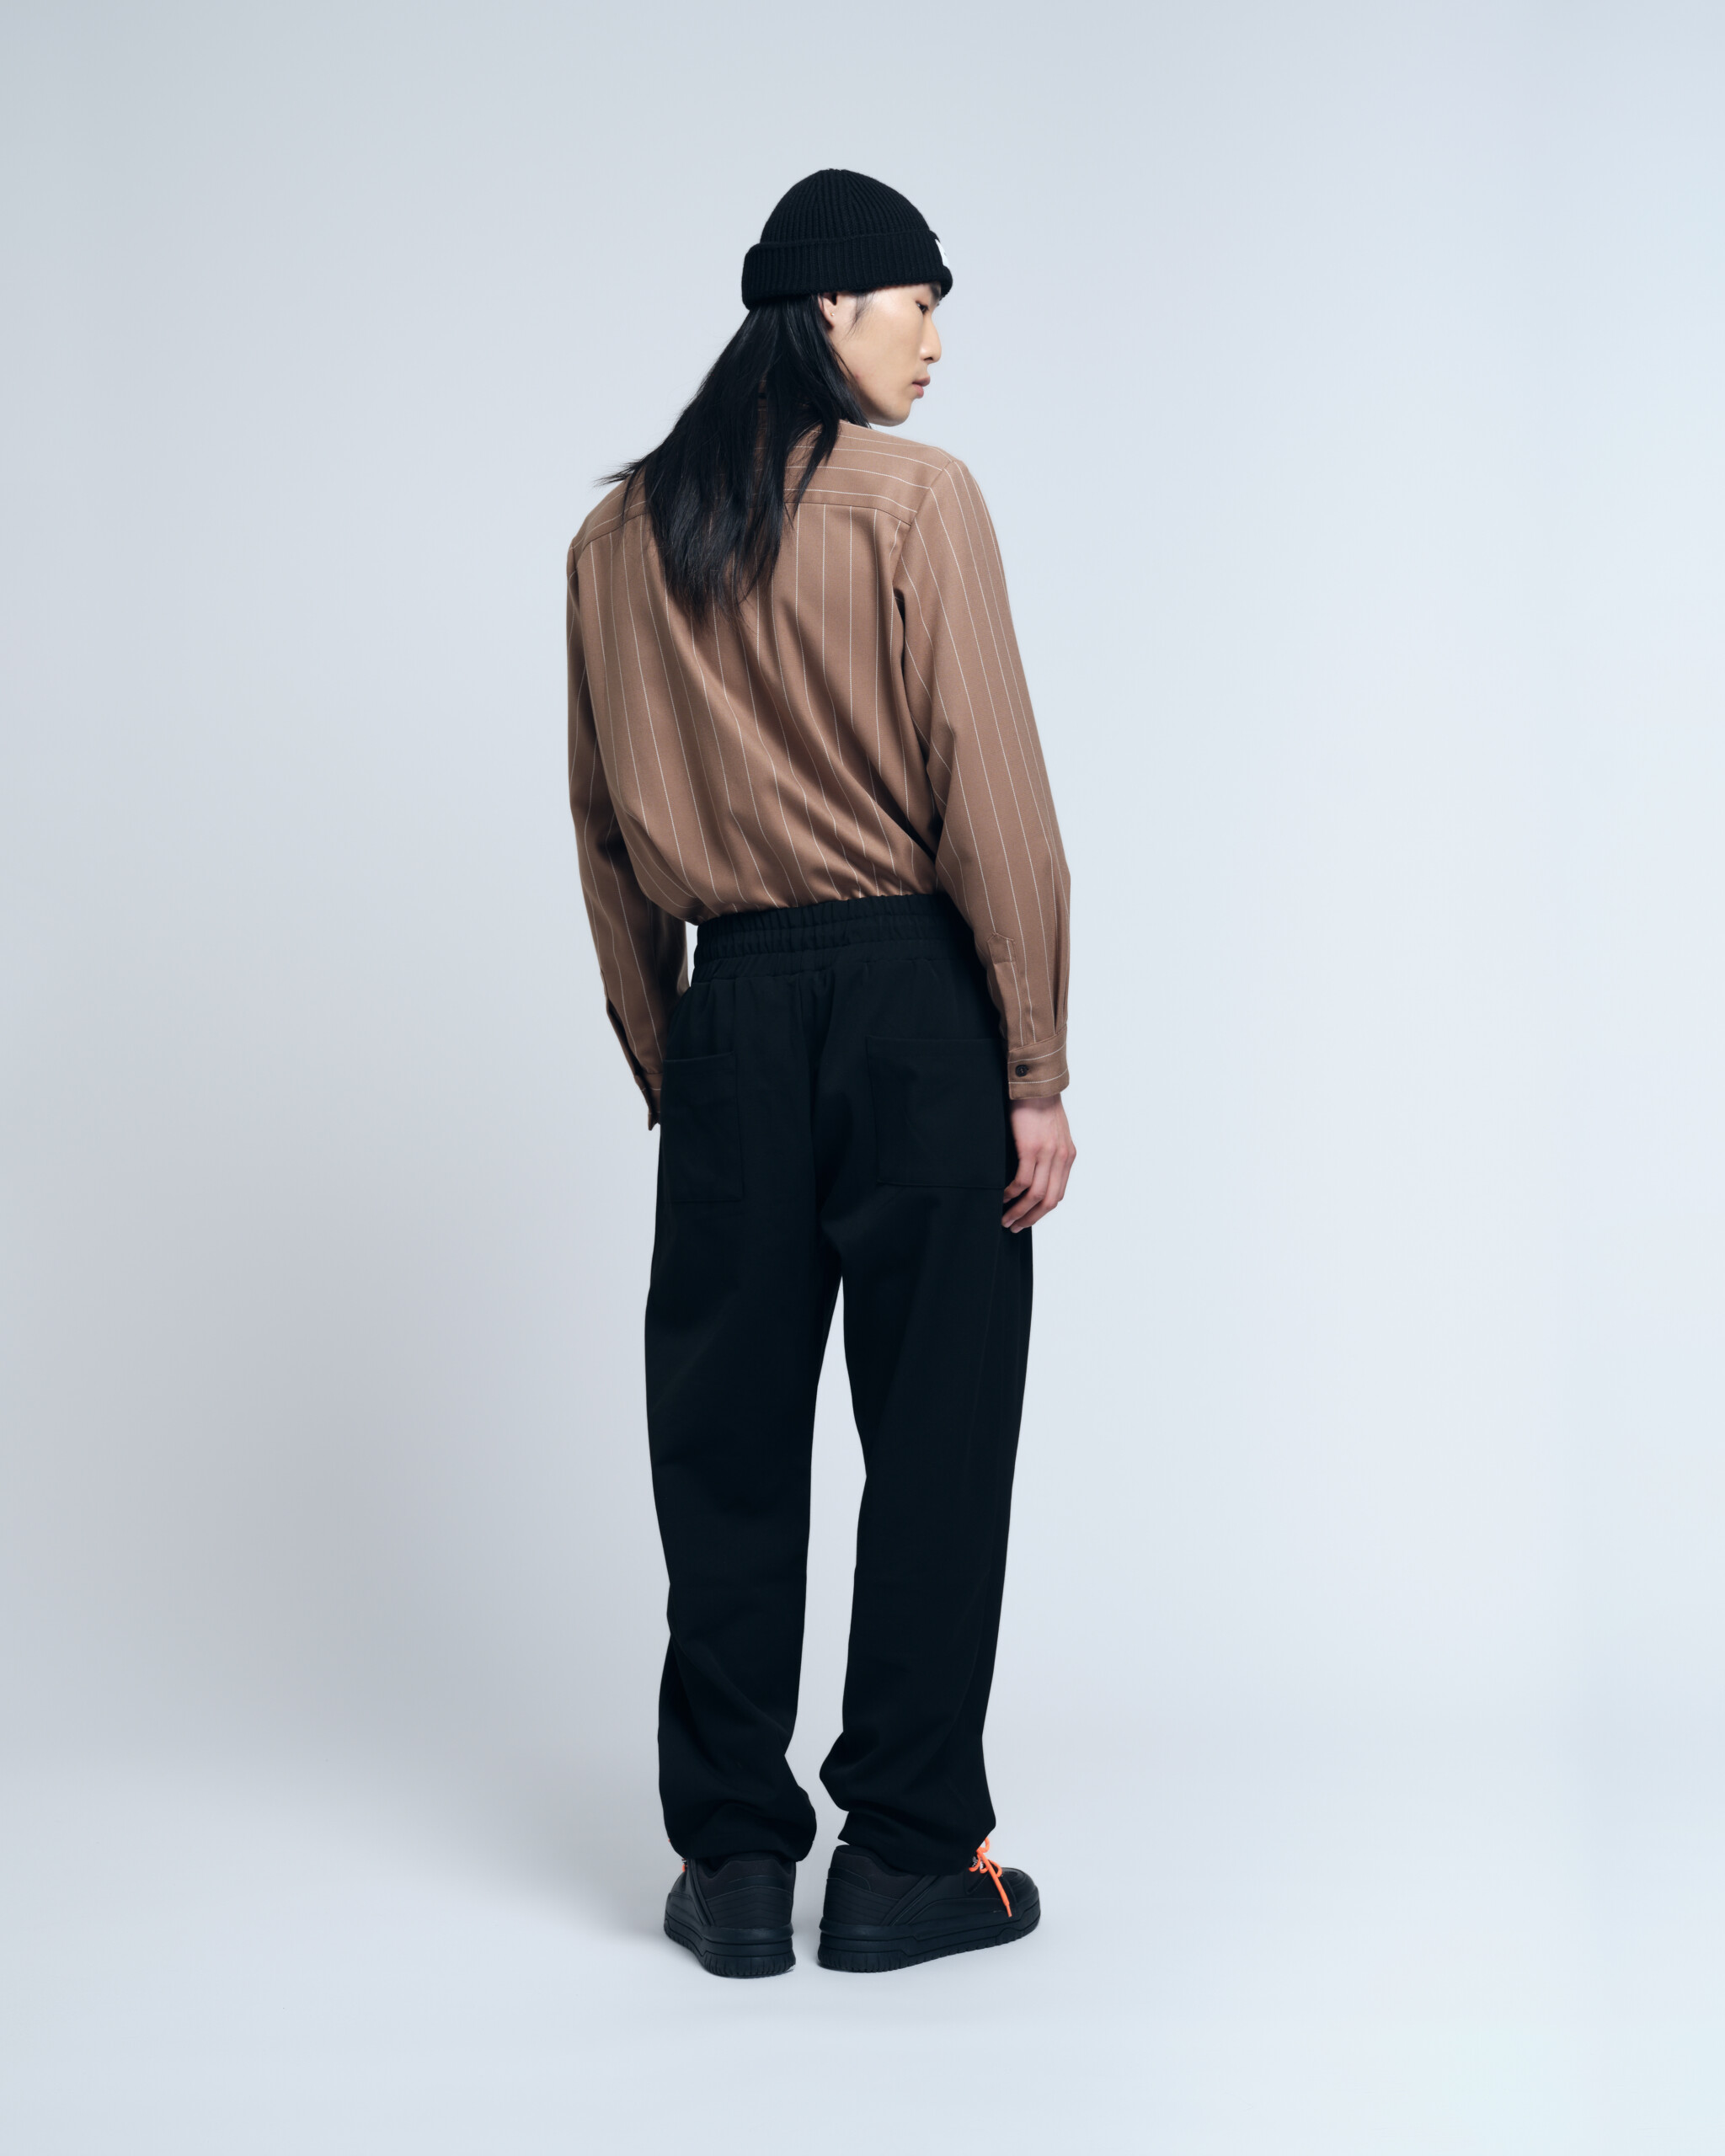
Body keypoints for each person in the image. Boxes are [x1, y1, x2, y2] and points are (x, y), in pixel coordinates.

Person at [565, 168, 1075, 1977]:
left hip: (728, 1012)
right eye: (915, 303)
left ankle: (729, 1866)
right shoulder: (916, 502)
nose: (934, 341)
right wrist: (1033, 1061)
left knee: (723, 1448)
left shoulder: (614, 540)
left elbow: (604, 833)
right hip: (913, 1004)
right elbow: (992, 798)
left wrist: (675, 1055)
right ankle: (907, 1861)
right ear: (829, 308)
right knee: (935, 1434)